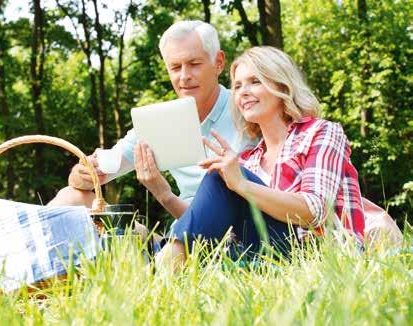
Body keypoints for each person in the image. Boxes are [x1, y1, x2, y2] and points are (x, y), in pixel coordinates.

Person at [155, 46, 366, 269]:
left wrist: (240, 184)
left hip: (320, 255)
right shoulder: (249, 159)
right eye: (237, 86)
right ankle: (160, 259)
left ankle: (162, 269)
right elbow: (215, 227)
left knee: (224, 178)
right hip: (265, 257)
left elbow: (314, 211)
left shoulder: (321, 132)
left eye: (255, 81)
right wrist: (165, 194)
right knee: (222, 178)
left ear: (281, 85)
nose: (243, 92)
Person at [49, 20, 252, 218]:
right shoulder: (159, 122)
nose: (184, 76)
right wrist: (82, 174)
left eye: (194, 64)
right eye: (175, 67)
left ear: (218, 62)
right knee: (71, 196)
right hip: (181, 232)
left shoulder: (247, 108)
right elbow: (105, 168)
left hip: (239, 229)